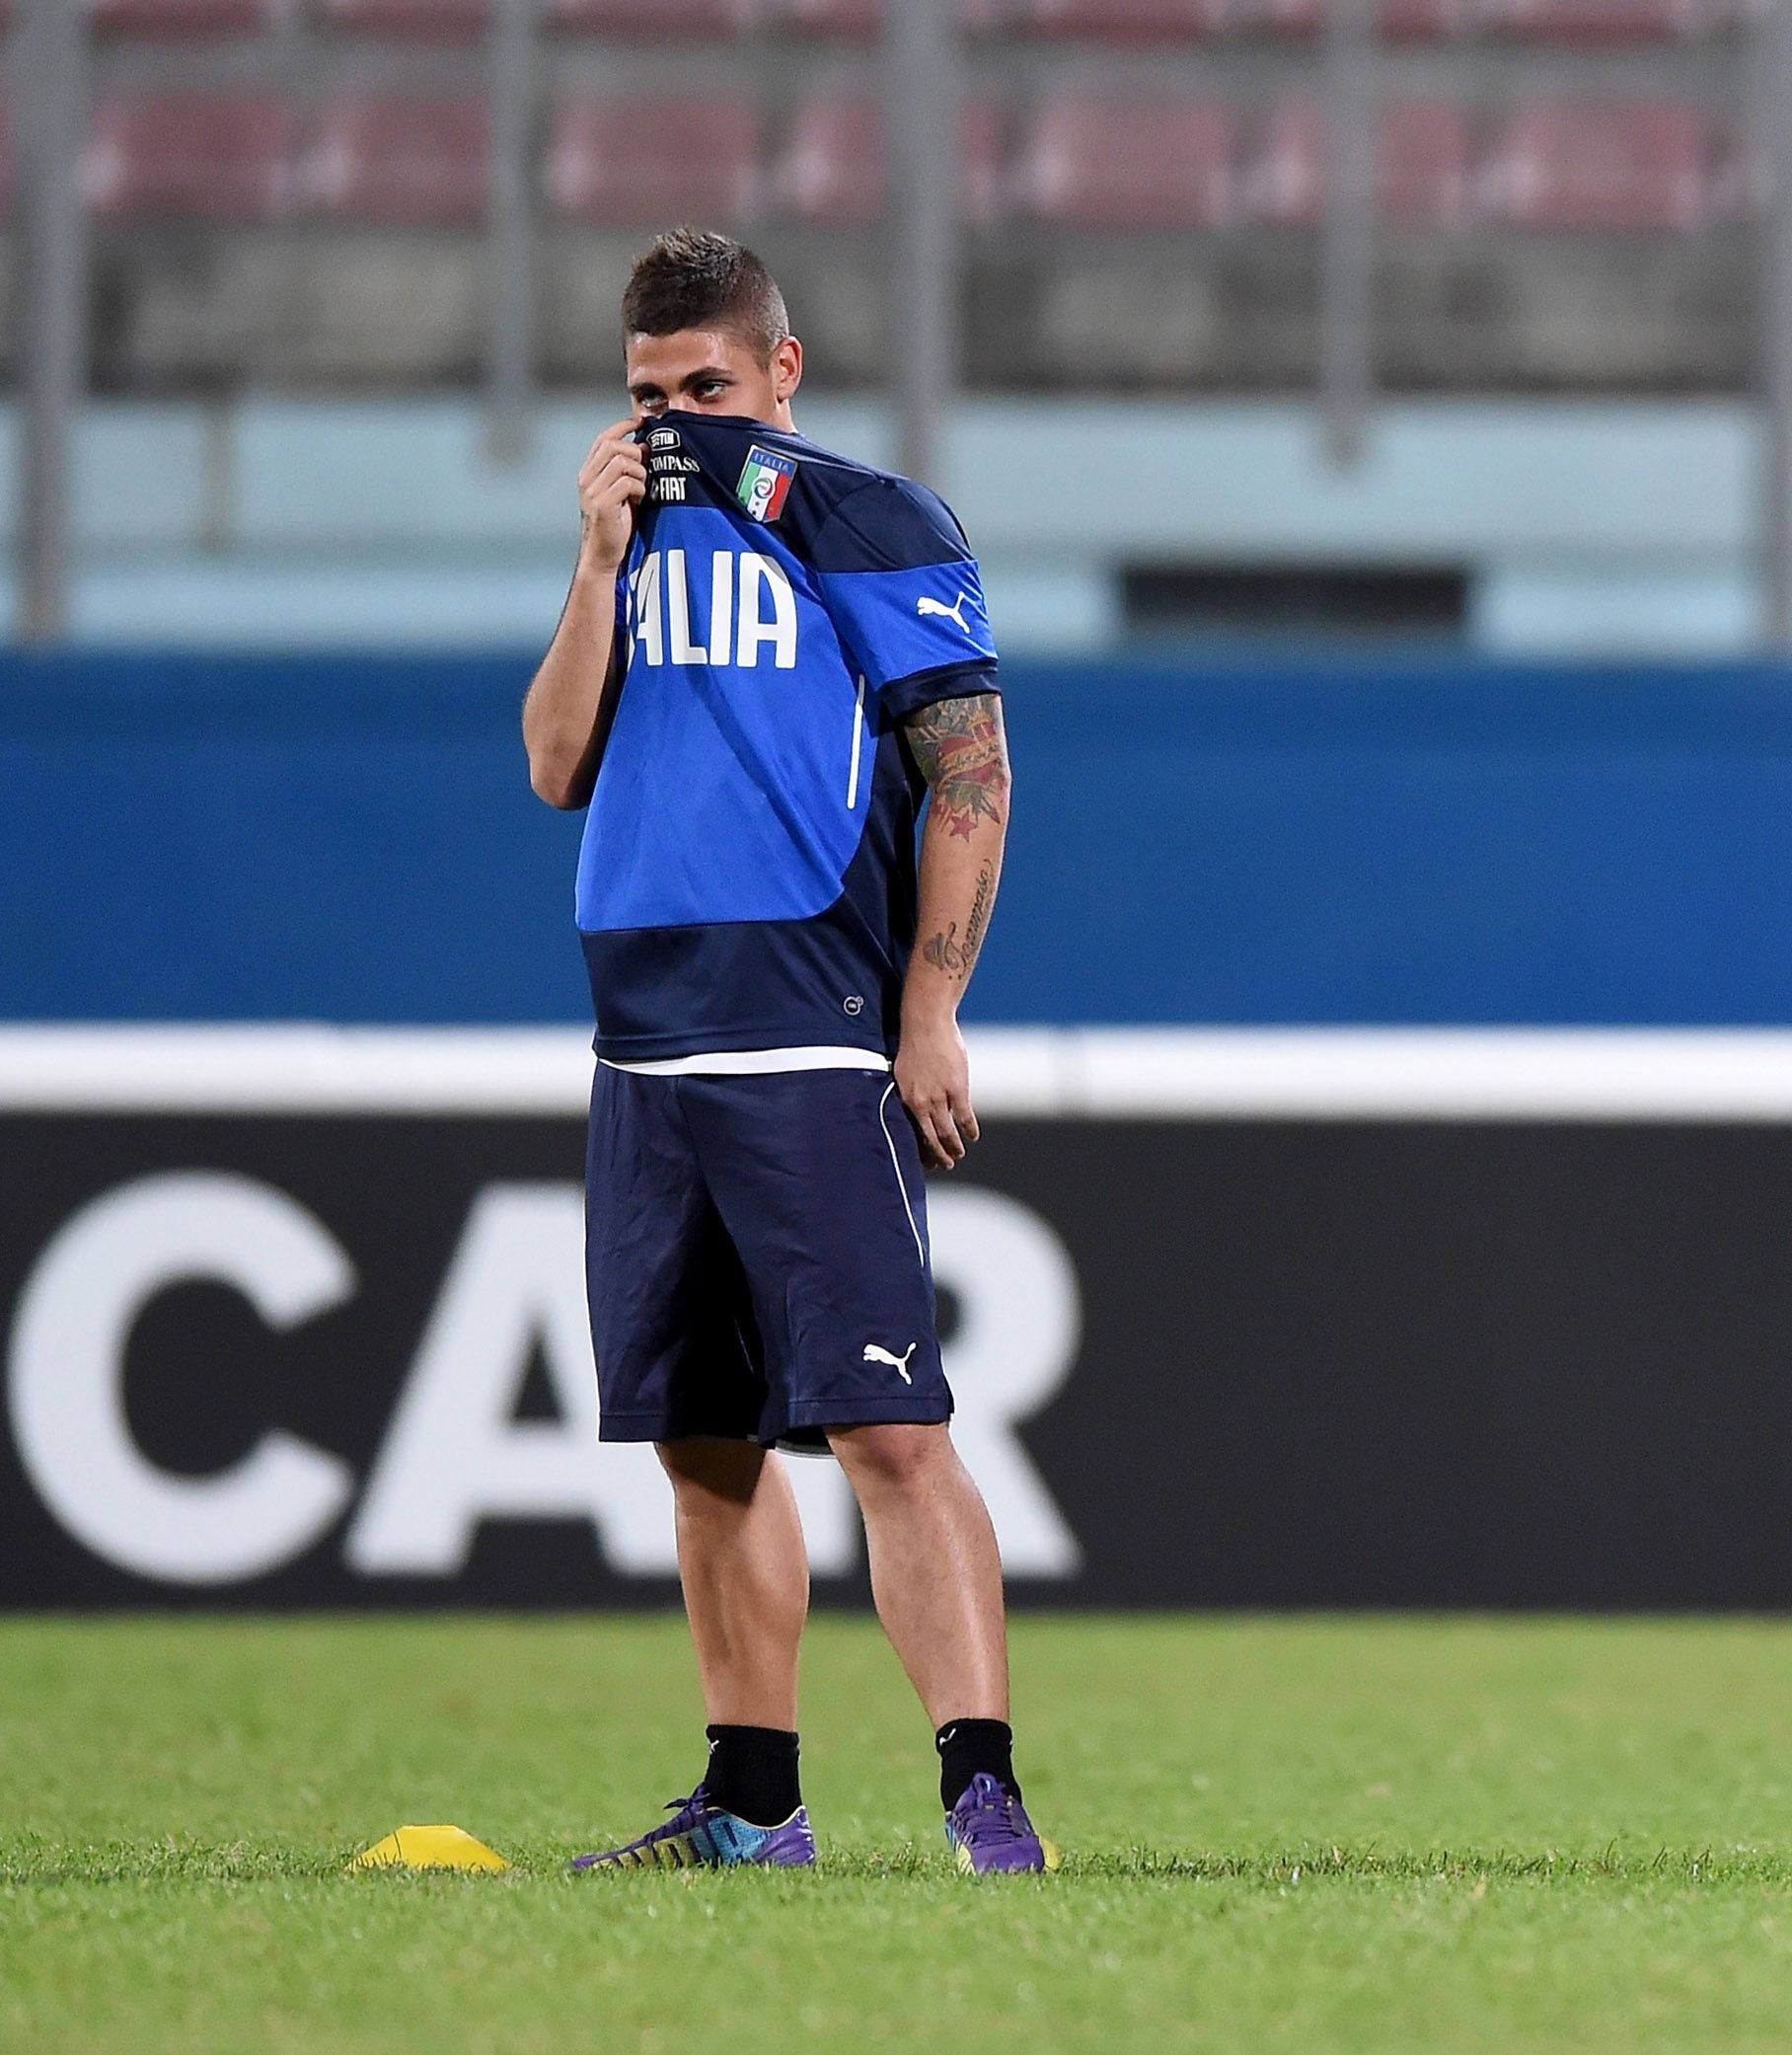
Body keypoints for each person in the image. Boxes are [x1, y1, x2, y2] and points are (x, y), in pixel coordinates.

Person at [521, 227, 1047, 1874]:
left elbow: (971, 771)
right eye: (647, 393)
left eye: (709, 385)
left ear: (783, 372)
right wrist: (597, 560)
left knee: (889, 1429)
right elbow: (553, 768)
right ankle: (753, 1800)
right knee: (702, 1441)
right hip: (645, 1036)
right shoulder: (623, 540)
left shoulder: (867, 520)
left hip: (811, 1028)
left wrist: (929, 1010)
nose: (677, 419)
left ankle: (981, 1789)